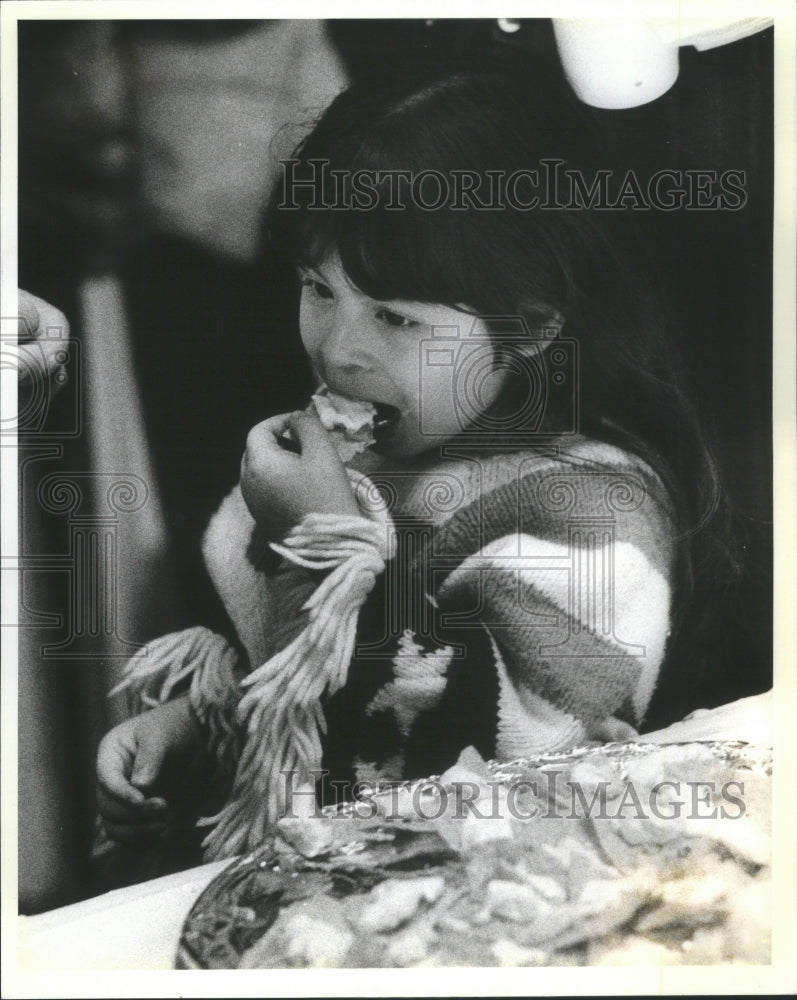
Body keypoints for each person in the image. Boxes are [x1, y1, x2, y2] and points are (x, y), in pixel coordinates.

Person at [94, 69, 734, 872]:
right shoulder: (364, 455)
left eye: (394, 317)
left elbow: (497, 757)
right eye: (317, 289)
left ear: (527, 328)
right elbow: (296, 681)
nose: (337, 348)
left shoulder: (591, 515)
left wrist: (327, 546)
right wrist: (199, 727)